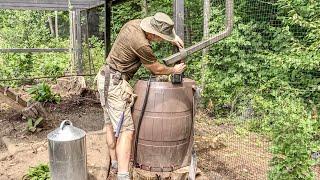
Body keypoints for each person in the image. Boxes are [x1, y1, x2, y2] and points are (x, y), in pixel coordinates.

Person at [97, 12, 186, 180]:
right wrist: (174, 70)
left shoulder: (133, 24)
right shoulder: (141, 44)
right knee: (126, 130)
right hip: (115, 84)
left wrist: (172, 37)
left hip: (104, 78)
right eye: (161, 37)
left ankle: (115, 163)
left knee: (110, 123)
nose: (161, 40)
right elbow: (157, 69)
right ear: (152, 33)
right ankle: (123, 176)